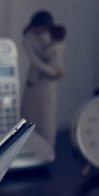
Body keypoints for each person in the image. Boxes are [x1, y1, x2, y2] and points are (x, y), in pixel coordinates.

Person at [20, 10, 66, 148]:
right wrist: (53, 71)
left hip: (48, 81)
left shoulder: (46, 36)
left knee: (47, 114)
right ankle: (26, 145)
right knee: (30, 112)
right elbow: (35, 61)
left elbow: (53, 54)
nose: (45, 32)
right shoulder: (28, 38)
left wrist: (55, 71)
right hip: (36, 80)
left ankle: (47, 145)